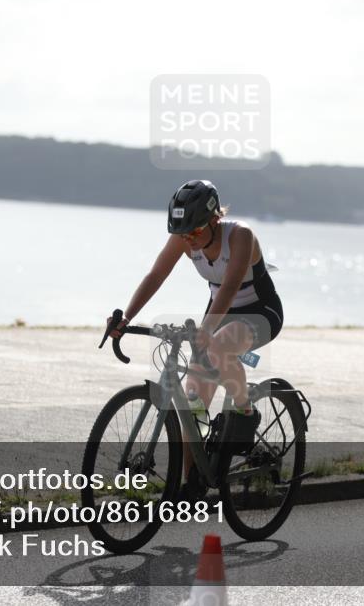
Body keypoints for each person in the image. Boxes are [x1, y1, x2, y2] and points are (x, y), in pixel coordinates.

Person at [107, 179, 284, 446]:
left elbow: (230, 287)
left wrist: (207, 331)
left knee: (220, 346)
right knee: (194, 407)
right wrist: (126, 318)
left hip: (260, 311)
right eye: (183, 233)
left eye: (194, 232)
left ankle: (245, 412)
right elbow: (156, 275)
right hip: (219, 313)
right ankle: (192, 484)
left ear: (214, 219)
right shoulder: (185, 237)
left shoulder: (240, 236)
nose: (188, 240)